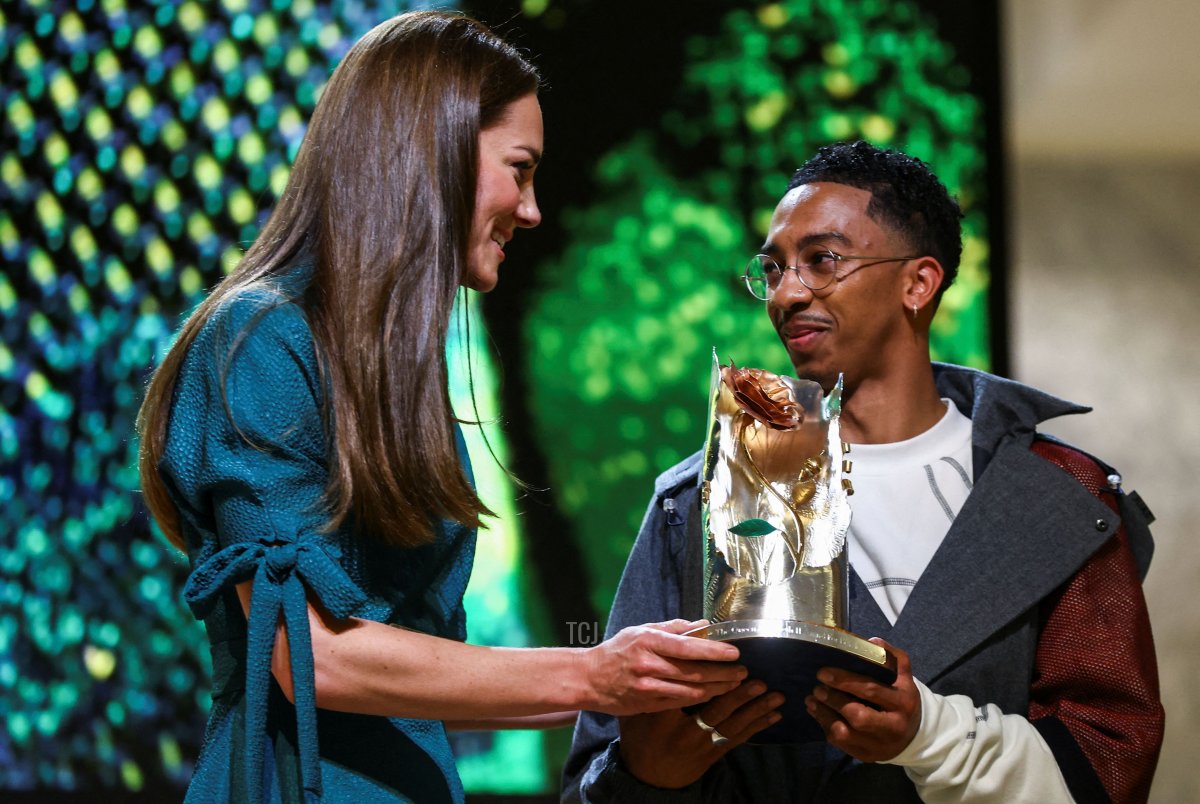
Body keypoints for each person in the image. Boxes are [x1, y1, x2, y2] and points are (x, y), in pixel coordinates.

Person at [136, 12, 745, 803]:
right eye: (519, 169)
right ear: (435, 154)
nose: (531, 209)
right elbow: (307, 652)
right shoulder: (261, 339)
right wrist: (593, 672)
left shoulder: (395, 372)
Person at [563, 140, 1164, 803]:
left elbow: (1109, 763)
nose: (787, 293)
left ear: (919, 282)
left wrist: (925, 736)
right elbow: (601, 763)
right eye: (773, 267)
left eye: (822, 260)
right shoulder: (698, 501)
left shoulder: (1060, 497)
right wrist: (651, 779)